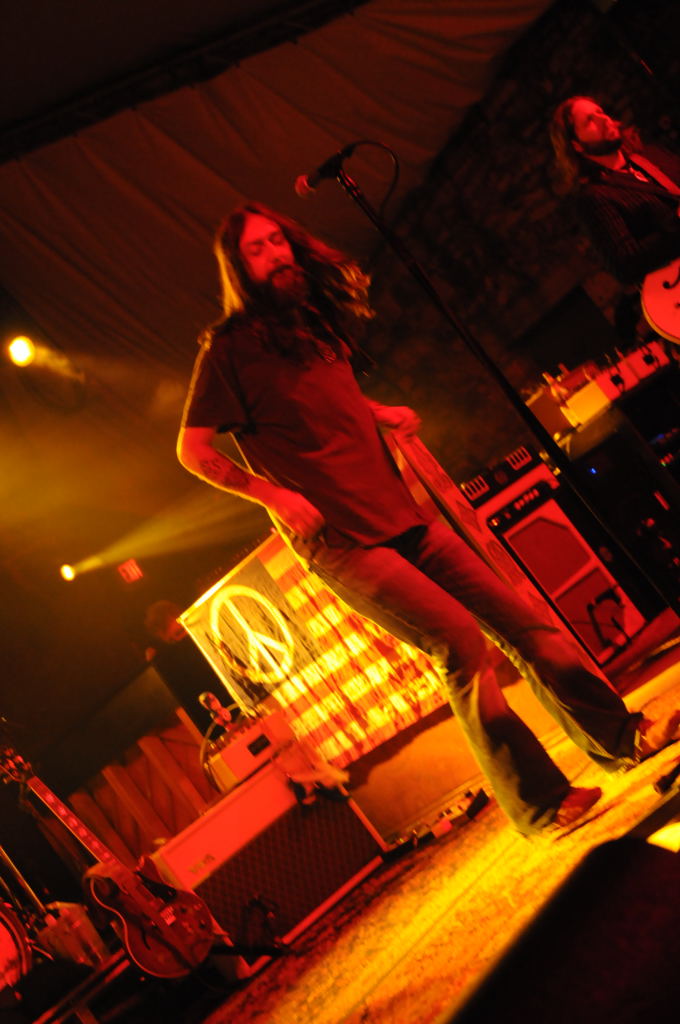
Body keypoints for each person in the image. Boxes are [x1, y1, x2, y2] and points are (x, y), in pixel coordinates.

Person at [177, 201, 680, 836]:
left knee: (523, 621)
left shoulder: (310, 323)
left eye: (278, 240)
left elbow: (324, 399)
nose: (276, 254)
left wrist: (376, 410)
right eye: (258, 249)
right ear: (239, 268)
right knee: (460, 645)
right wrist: (271, 496)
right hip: (343, 542)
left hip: (402, 514)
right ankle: (539, 803)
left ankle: (621, 737)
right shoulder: (228, 349)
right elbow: (192, 450)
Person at [550, 95, 680, 341]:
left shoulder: (652, 157)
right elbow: (625, 263)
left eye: (600, 112)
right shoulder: (594, 197)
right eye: (589, 121)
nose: (603, 119)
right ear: (577, 145)